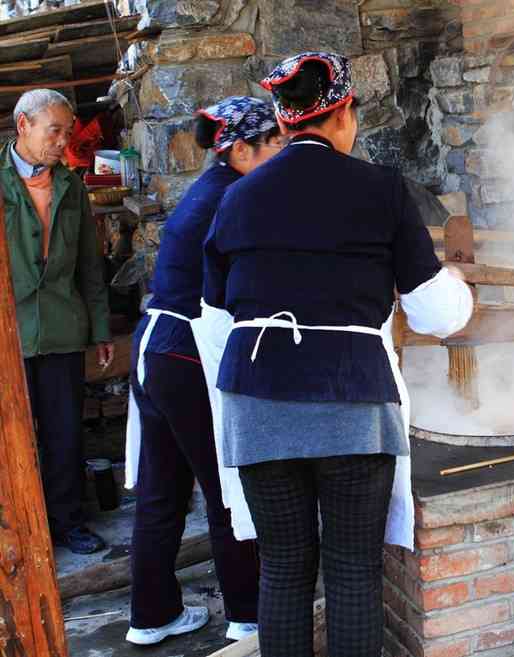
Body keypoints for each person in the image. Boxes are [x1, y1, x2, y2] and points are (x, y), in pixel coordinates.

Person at [201, 52, 473, 657]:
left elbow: (218, 307)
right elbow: (433, 314)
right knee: (352, 570)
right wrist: (459, 290)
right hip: (351, 403)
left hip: (258, 405)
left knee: (283, 570)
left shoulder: (238, 197)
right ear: (345, 113)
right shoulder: (380, 190)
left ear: (283, 117)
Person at [123, 97, 284, 646]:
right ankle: (247, 614)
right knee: (225, 484)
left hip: (156, 346)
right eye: (277, 144)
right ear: (241, 150)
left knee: (161, 489)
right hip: (188, 348)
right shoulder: (235, 198)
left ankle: (152, 616)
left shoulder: (211, 188)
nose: (282, 153)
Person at [4, 89, 112, 555]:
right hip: (10, 334)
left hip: (64, 329)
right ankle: (19, 528)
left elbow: (90, 265)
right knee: (13, 436)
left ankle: (66, 522)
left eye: (68, 132)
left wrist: (100, 328)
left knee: (65, 431)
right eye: (55, 131)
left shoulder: (69, 186)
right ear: (23, 125)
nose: (63, 141)